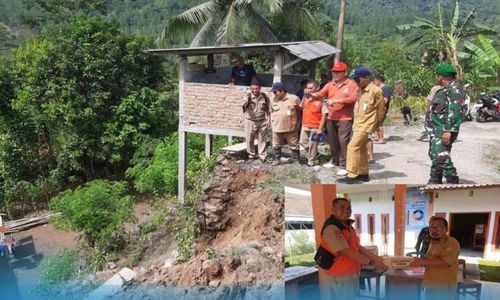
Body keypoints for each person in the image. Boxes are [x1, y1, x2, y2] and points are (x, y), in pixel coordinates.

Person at [317, 197, 386, 299]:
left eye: (348, 208)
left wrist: (376, 258)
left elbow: (358, 247)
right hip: (341, 273)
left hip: (351, 270)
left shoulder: (348, 226)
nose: (346, 210)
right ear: (333, 209)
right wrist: (372, 262)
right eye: (342, 207)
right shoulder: (331, 228)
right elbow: (346, 252)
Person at [305, 61, 358, 175]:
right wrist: (312, 95)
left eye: (339, 72)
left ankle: (344, 165)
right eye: (334, 72)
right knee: (332, 141)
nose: (336, 74)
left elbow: (353, 99)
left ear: (345, 72)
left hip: (345, 118)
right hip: (331, 117)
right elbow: (320, 94)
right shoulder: (330, 84)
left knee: (343, 141)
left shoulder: (351, 84)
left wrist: (336, 100)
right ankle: (335, 161)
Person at [337, 66, 385, 184]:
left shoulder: (376, 91)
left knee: (352, 147)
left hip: (367, 125)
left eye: (358, 80)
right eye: (355, 80)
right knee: (362, 149)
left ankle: (352, 174)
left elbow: (381, 110)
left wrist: (377, 125)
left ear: (366, 78)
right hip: (358, 124)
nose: (356, 82)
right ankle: (363, 174)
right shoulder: (359, 90)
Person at [426, 64, 467, 184]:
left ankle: (452, 179)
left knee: (441, 156)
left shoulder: (454, 90)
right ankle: (434, 179)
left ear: (440, 76)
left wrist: (448, 131)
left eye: (436, 75)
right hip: (437, 129)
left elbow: (455, 112)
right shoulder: (445, 89)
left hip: (444, 129)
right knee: (434, 154)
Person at [409, 217, 460, 300]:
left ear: (446, 229)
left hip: (444, 288)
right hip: (431, 285)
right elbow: (431, 260)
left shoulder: (451, 242)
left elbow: (445, 262)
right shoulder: (433, 242)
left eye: (439, 227)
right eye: (431, 227)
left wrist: (422, 262)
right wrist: (418, 261)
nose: (434, 230)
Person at [269, 82, 301, 165]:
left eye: (275, 92)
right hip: (277, 126)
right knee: (276, 144)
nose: (274, 94)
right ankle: (277, 159)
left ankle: (296, 160)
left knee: (294, 144)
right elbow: (271, 111)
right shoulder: (273, 100)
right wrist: (269, 122)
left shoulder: (294, 98)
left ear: (282, 90)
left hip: (290, 126)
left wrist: (298, 121)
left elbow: (301, 109)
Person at [299, 80, 328, 166]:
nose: (309, 90)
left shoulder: (321, 100)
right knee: (302, 142)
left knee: (313, 144)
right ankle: (314, 154)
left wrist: (320, 128)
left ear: (317, 88)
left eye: (311, 88)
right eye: (307, 88)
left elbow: (325, 114)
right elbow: (300, 107)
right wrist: (304, 97)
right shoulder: (306, 98)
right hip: (305, 125)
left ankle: (311, 161)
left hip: (316, 127)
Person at [242, 80, 271, 161]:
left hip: (262, 121)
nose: (254, 90)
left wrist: (268, 120)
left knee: (262, 139)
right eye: (252, 89)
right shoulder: (248, 96)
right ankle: (251, 154)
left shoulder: (264, 97)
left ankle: (263, 156)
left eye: (256, 88)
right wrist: (245, 103)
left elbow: (268, 110)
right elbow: (243, 104)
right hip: (250, 121)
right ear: (250, 89)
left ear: (260, 88)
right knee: (249, 139)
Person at [373, 75, 392, 144]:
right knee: (376, 123)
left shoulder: (385, 88)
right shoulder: (379, 88)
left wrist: (377, 104)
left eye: (375, 80)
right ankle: (377, 137)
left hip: (382, 109)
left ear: (378, 81)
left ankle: (381, 139)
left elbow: (385, 100)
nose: (374, 82)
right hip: (377, 108)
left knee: (379, 123)